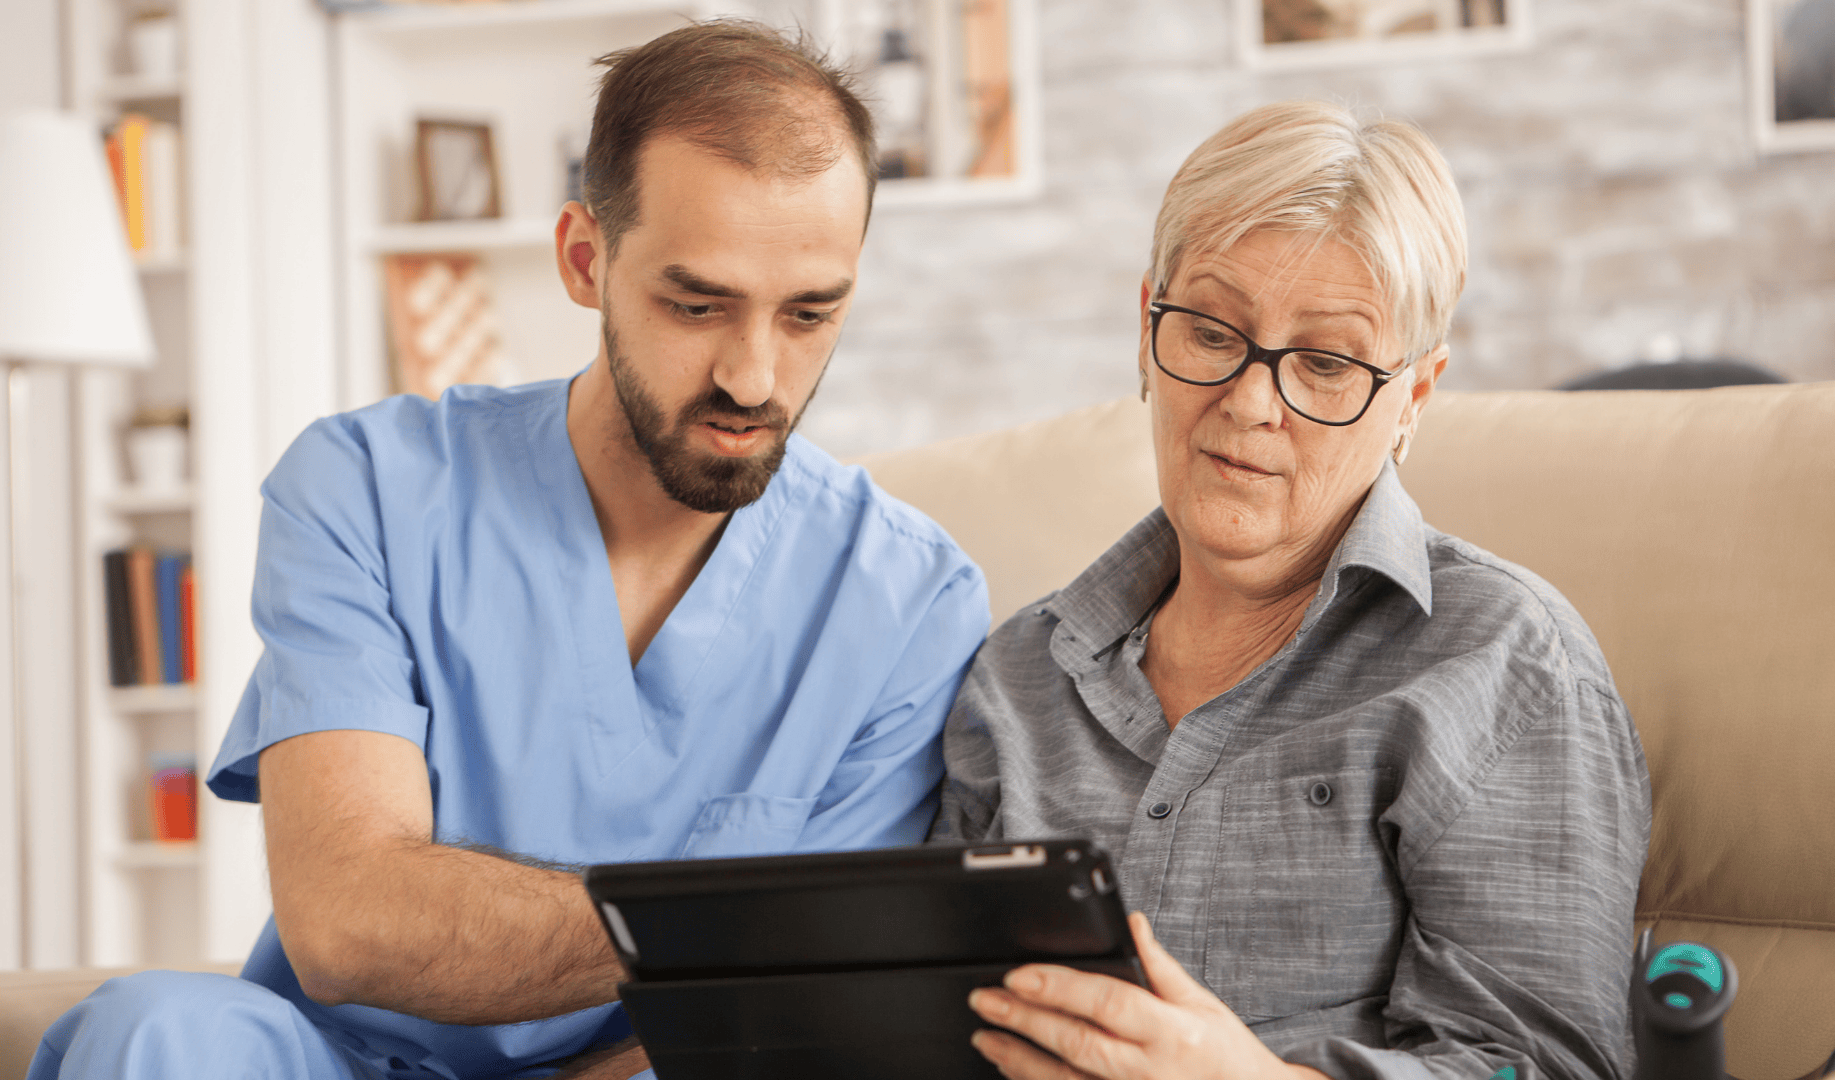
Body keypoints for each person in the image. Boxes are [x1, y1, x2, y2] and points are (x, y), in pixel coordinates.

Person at [32, 20, 988, 1080]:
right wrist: (732, 928)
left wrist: (737, 954)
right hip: (337, 1063)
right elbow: (347, 922)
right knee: (154, 1032)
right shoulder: (366, 488)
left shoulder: (911, 601)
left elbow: (792, 1010)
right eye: (696, 303)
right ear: (586, 259)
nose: (755, 376)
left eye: (810, 312)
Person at [936, 101, 1650, 1080]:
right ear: (1146, 328)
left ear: (1415, 398)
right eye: (1211, 330)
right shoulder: (1016, 678)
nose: (1250, 402)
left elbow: (1543, 1068)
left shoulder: (1505, 664)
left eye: (1324, 363)